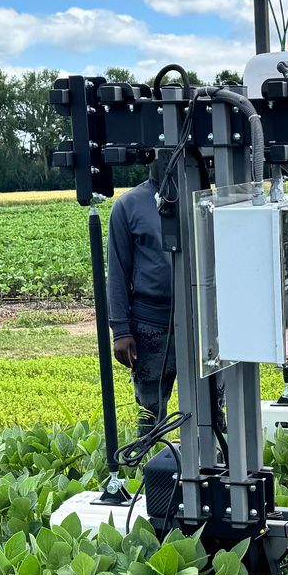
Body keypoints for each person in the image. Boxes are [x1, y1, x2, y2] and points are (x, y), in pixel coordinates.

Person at [106, 160, 174, 432]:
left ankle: (213, 461)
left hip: (201, 321)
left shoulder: (204, 197)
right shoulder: (128, 205)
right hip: (150, 324)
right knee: (151, 410)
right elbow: (118, 272)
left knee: (211, 406)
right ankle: (151, 466)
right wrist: (120, 330)